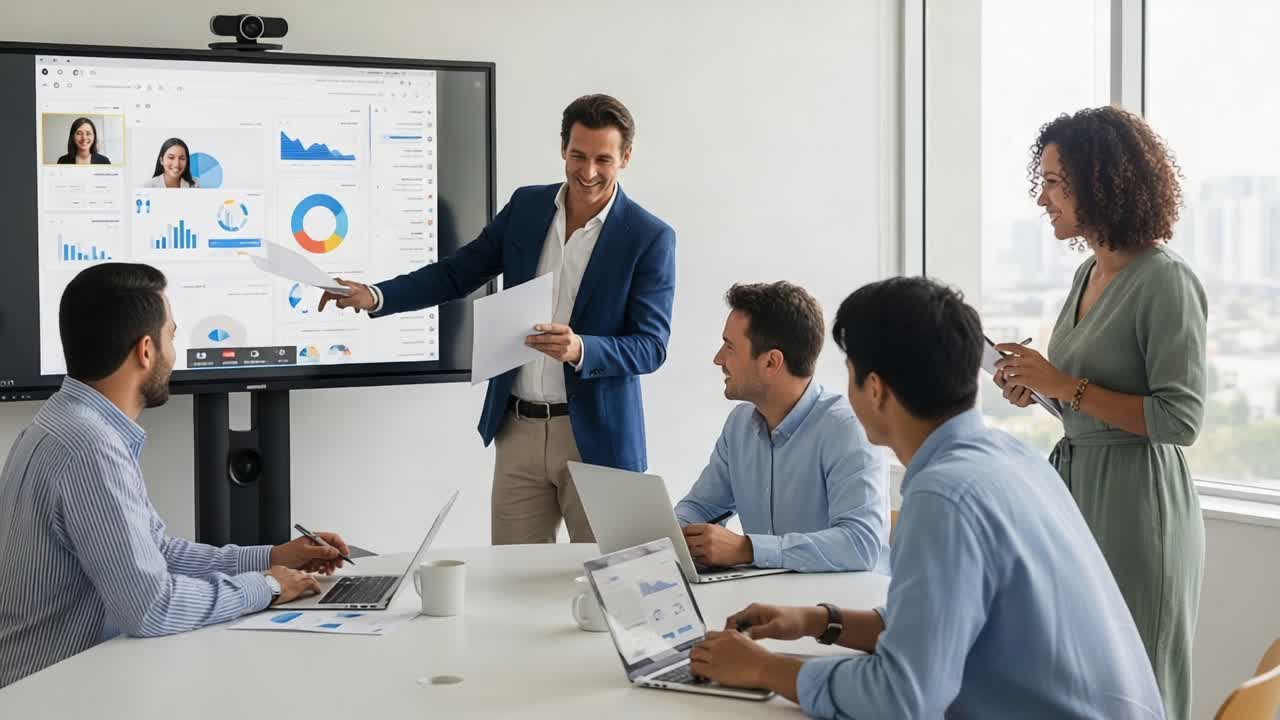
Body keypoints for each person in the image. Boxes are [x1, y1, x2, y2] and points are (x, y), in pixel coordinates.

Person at [688, 277, 1164, 719]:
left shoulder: (944, 495)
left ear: (874, 390)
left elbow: (901, 696)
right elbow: (939, 628)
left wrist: (765, 669)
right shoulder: (1011, 458)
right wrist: (822, 621)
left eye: (851, 372)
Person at [318, 94, 676, 546]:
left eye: (603, 159)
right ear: (563, 148)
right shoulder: (527, 208)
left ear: (625, 158)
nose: (588, 172)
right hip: (517, 431)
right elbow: (456, 273)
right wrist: (376, 295)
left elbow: (651, 345)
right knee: (514, 584)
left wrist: (581, 348)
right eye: (577, 155)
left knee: (608, 580)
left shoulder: (649, 236)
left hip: (598, 441)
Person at [0, 263, 348, 689]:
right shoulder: (90, 448)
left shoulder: (65, 424)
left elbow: (155, 553)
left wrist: (272, 557)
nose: (174, 352)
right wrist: (265, 587)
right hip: (51, 695)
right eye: (172, 335)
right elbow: (150, 608)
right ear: (146, 350)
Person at [992, 106, 1205, 720]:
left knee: (1140, 682)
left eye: (1055, 181)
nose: (1042, 196)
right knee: (1080, 680)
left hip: (1141, 509)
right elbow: (1087, 399)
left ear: (1101, 180)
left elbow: (1180, 419)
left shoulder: (1165, 281)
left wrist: (1068, 385)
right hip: (1078, 493)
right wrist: (1042, 389)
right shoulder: (1089, 271)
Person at [673, 281, 888, 573]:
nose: (718, 359)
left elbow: (860, 544)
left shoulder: (846, 430)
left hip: (836, 608)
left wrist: (746, 549)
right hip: (768, 603)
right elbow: (701, 508)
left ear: (772, 362)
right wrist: (673, 535)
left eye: (730, 347)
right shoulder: (739, 426)